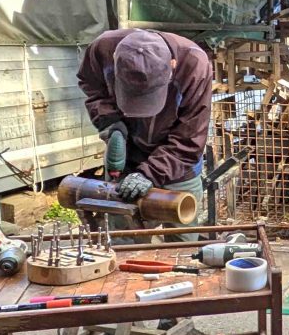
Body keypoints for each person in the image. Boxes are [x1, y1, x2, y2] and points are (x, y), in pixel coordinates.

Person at [77, 28, 213, 224]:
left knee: (182, 242)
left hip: (178, 165)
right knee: (122, 240)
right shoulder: (102, 49)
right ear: (114, 59)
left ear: (172, 66)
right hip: (127, 160)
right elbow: (91, 85)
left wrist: (148, 173)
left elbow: (189, 140)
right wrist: (109, 121)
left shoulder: (194, 65)